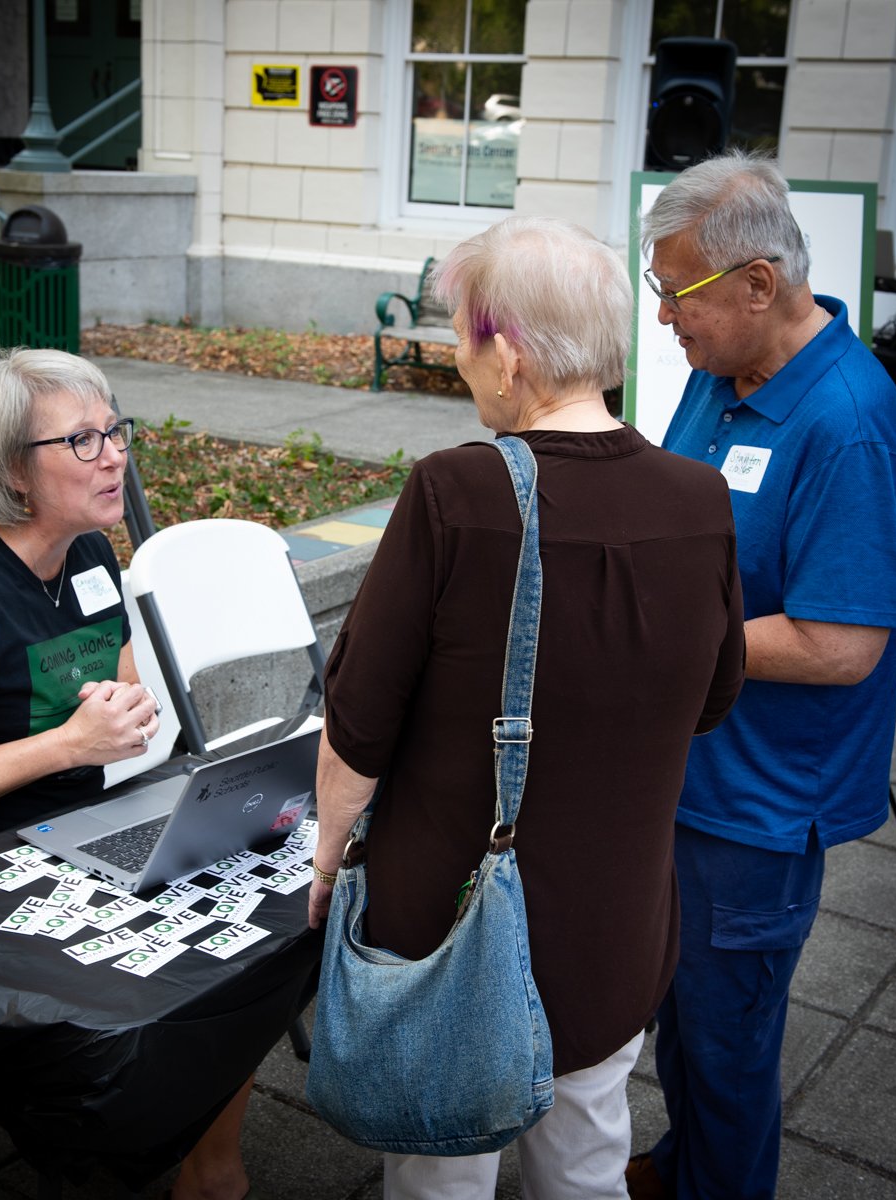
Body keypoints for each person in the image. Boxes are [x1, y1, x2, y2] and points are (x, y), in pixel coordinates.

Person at [306, 215, 746, 1200]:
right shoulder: (701, 498)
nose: (463, 361)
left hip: (453, 929)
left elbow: (358, 726)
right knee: (587, 1166)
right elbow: (713, 702)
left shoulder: (456, 492)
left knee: (440, 1178)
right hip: (616, 929)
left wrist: (327, 862)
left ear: (507, 351)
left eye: (464, 336)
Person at [0, 347, 253, 1200]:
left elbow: (109, 675)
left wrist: (127, 708)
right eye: (81, 440)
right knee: (162, 994)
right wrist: (70, 746)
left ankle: (208, 1166)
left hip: (68, 835)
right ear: (13, 468)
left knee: (248, 942)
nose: (115, 454)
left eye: (114, 429)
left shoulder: (83, 555)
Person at [629, 151, 896, 1200]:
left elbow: (845, 646)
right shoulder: (721, 372)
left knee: (729, 1035)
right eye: (656, 290)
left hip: (758, 803)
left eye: (678, 293)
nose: (664, 320)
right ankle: (679, 1165)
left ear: (759, 284)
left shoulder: (850, 423)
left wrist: (662, 643)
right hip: (691, 766)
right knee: (681, 1013)